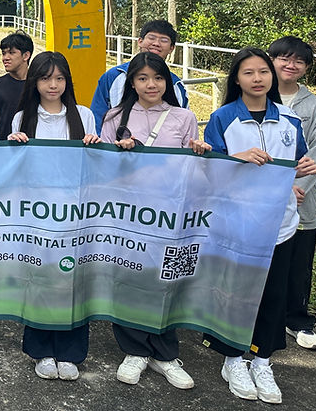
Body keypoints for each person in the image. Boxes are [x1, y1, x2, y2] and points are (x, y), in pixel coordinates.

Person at [203, 48, 316, 404]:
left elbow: (295, 162)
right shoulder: (223, 118)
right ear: (236, 79)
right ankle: (233, 359)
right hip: (237, 226)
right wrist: (233, 158)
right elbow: (207, 168)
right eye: (248, 72)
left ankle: (262, 360)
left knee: (273, 295)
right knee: (236, 294)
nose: (258, 79)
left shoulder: (289, 120)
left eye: (263, 72)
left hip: (280, 225)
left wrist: (301, 173)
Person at [99, 52, 210, 390]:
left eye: (158, 78)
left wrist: (199, 153)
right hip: (129, 214)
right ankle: (133, 350)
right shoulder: (115, 116)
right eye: (143, 78)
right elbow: (101, 168)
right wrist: (121, 152)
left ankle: (164, 354)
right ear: (131, 82)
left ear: (168, 82)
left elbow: (195, 172)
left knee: (167, 280)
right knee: (130, 278)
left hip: (170, 216)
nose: (151, 84)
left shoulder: (184, 117)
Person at [7, 52, 99, 382]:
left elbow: (95, 168)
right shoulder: (22, 119)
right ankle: (42, 349)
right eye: (46, 78)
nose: (53, 85)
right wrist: (13, 146)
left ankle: (71, 352)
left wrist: (94, 146)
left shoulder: (84, 116)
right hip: (38, 216)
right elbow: (14, 171)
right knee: (41, 281)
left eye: (60, 78)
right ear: (34, 82)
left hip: (75, 215)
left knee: (75, 282)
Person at [268, 37, 316, 351]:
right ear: (272, 59)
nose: (290, 66)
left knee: (298, 261)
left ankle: (297, 320)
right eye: (284, 59)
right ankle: (259, 316)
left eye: (298, 62)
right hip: (260, 197)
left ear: (305, 68)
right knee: (260, 260)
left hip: (301, 198)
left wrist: (296, 190)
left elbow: (315, 155)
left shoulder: (315, 107)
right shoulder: (254, 95)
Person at [90, 20, 189, 132]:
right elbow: (98, 118)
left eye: (164, 40)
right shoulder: (113, 77)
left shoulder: (176, 85)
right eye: (151, 38)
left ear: (172, 48)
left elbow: (184, 127)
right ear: (140, 41)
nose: (156, 43)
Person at [0, 31, 33, 140]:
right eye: (3, 53)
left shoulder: (39, 85)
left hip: (34, 149)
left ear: (26, 55)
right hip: (4, 149)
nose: (5, 57)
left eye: (11, 52)